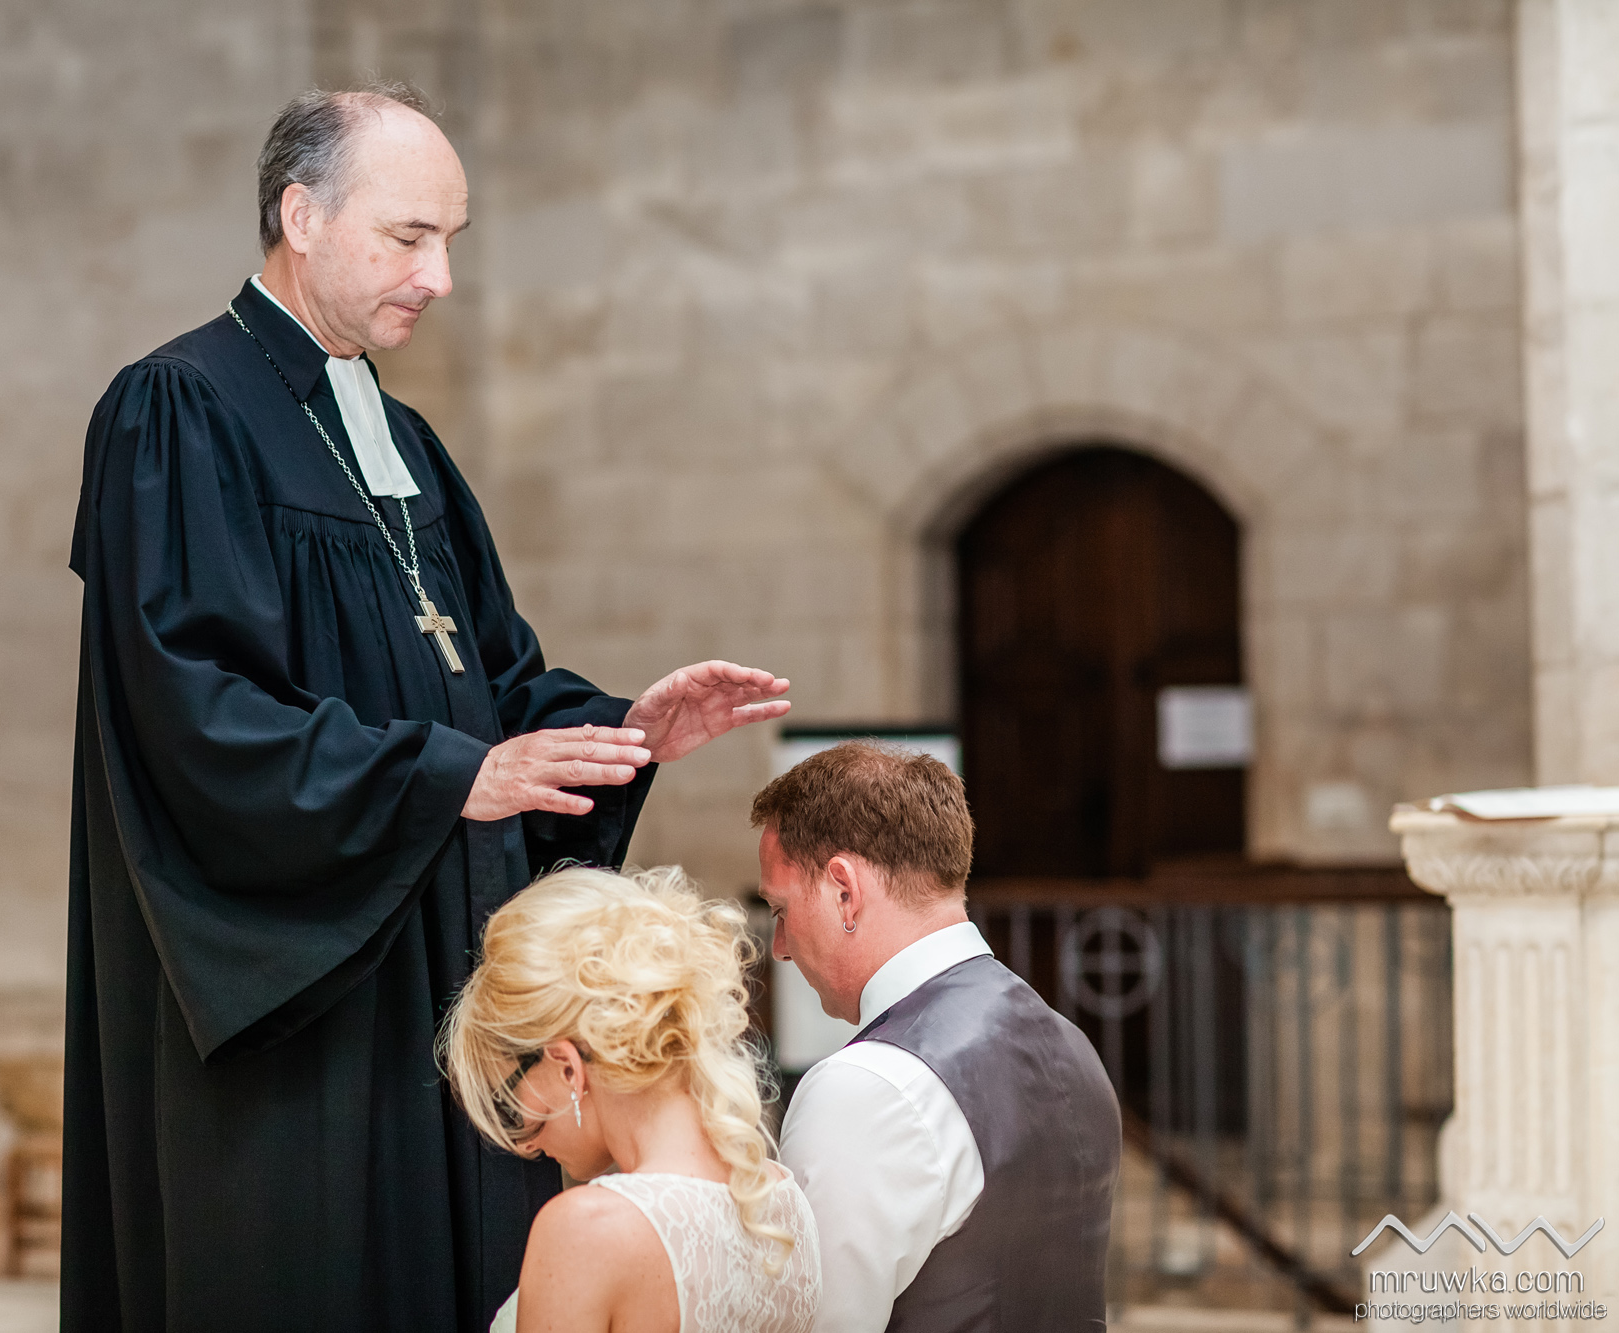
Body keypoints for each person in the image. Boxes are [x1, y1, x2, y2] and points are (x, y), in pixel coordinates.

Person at [63, 82, 790, 1333]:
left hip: (437, 959)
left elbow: (492, 677)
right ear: (301, 215)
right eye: (409, 238)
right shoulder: (179, 410)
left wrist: (622, 731)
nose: (439, 277)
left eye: (451, 240)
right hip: (305, 989)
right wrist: (444, 778)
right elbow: (192, 708)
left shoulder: (396, 436)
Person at [754, 742, 1122, 1332]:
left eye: (780, 909)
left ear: (844, 891)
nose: (781, 946)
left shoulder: (865, 1087)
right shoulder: (1071, 1045)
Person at [441, 864, 822, 1333]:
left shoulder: (588, 1229)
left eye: (510, 1105)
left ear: (566, 1065)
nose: (526, 1145)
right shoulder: (784, 1203)